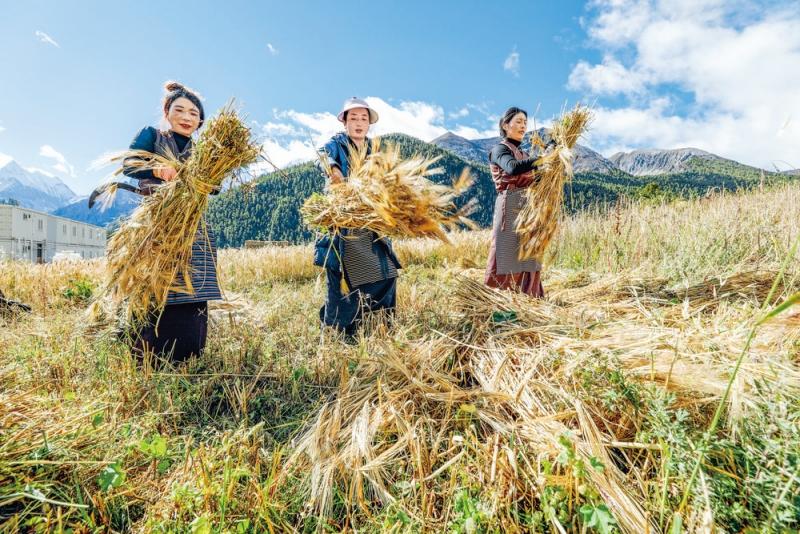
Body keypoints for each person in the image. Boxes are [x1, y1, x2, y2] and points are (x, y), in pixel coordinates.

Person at [107, 81, 221, 362]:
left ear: (200, 121)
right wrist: (158, 169)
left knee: (194, 285)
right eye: (179, 110)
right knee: (153, 284)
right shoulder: (152, 135)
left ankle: (189, 352)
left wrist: (208, 176)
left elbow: (216, 187)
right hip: (156, 224)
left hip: (193, 227)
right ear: (167, 113)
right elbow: (129, 165)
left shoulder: (204, 151)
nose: (186, 117)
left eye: (193, 113)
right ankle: (149, 353)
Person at [314, 97, 401, 338]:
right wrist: (333, 169)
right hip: (343, 222)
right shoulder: (337, 144)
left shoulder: (374, 149)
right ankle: (338, 332)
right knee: (344, 279)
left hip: (370, 221)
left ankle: (377, 326)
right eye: (353, 118)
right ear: (345, 122)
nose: (359, 123)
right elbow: (322, 155)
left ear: (369, 124)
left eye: (364, 118)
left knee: (385, 272)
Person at [485, 106, 552, 297]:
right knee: (507, 253)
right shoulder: (499, 149)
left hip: (528, 208)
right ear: (505, 125)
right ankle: (500, 299)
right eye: (519, 122)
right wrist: (542, 159)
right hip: (510, 205)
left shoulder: (524, 154)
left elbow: (536, 178)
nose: (523, 126)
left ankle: (528, 298)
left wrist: (552, 161)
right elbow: (512, 168)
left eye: (525, 122)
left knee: (529, 253)